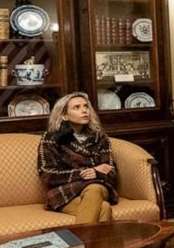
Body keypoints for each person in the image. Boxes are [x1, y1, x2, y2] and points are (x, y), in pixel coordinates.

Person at [37, 92, 117, 223]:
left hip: (97, 187)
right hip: (66, 193)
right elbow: (47, 175)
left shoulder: (100, 138)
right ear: (64, 115)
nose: (84, 110)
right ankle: (94, 244)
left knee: (94, 188)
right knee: (104, 208)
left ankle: (80, 243)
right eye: (77, 107)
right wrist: (83, 173)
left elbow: (111, 171)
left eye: (86, 106)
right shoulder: (51, 138)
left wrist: (95, 173)